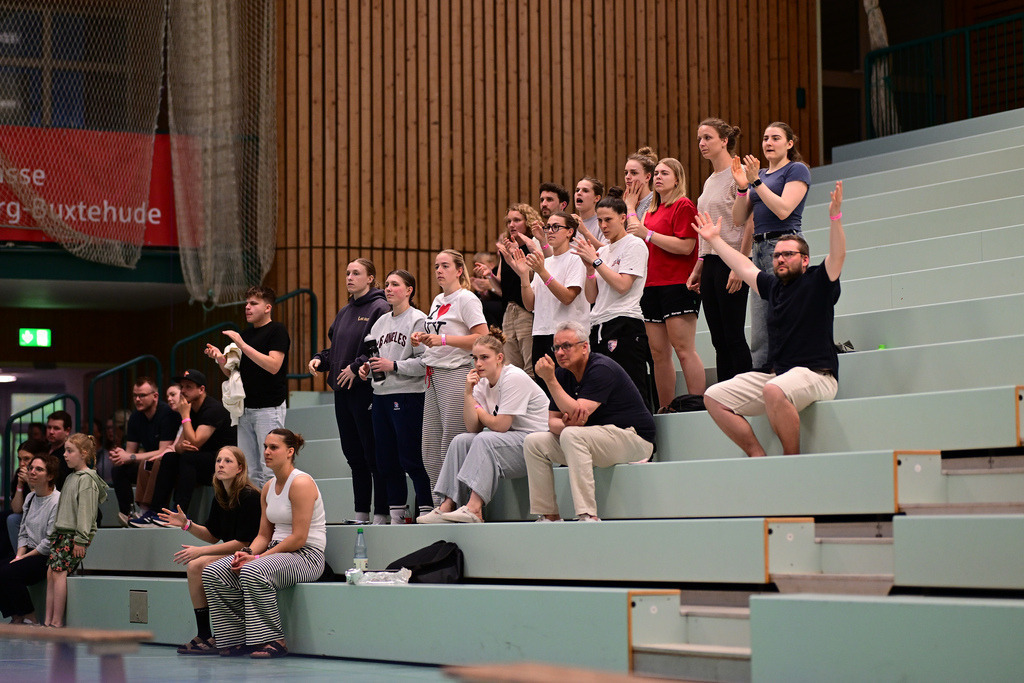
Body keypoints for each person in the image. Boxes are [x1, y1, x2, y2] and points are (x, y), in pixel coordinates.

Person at [699, 181, 845, 456]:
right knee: (713, 397)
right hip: (779, 375)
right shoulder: (773, 286)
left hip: (816, 375)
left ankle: (791, 460)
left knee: (774, 390)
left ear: (805, 260)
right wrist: (715, 240)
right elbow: (743, 266)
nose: (780, 259)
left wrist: (835, 217)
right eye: (777, 255)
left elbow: (838, 255)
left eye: (788, 254)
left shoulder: (819, 280)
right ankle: (757, 454)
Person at [202, 429, 326, 659]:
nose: (266, 452)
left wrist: (258, 559)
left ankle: (274, 640)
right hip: (275, 552)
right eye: (265, 447)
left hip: (306, 556)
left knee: (252, 570)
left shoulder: (301, 483)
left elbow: (299, 537)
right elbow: (262, 536)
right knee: (213, 572)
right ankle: (235, 639)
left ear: (290, 452)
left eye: (273, 447)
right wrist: (246, 553)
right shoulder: (268, 487)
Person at [524, 321, 656, 521]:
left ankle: (588, 515)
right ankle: (549, 516)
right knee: (534, 442)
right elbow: (552, 422)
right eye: (556, 347)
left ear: (584, 346)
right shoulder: (561, 373)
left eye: (566, 346)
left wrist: (549, 381)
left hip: (634, 439)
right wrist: (571, 423)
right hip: (593, 438)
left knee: (571, 435)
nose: (559, 353)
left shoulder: (601, 368)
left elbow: (579, 412)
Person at [417, 329, 548, 524]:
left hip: (537, 445)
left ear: (499, 358)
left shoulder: (513, 377)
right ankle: (446, 506)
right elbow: (472, 428)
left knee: (485, 440)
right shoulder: (480, 381)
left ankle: (474, 509)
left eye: (484, 357)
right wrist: (468, 395)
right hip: (512, 441)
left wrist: (480, 412)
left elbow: (502, 425)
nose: (478, 364)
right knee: (461, 440)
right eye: (475, 358)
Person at [158, 446, 262, 655]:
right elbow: (213, 534)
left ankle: (216, 635)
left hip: (253, 552)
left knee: (198, 563)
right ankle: (204, 634)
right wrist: (186, 524)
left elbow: (244, 542)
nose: (221, 464)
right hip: (235, 550)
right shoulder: (221, 495)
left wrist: (203, 552)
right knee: (195, 566)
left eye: (228, 461)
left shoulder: (249, 496)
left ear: (240, 468)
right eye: (218, 460)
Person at [309, 258, 390, 524]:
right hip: (342, 392)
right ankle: (361, 513)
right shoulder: (344, 312)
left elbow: (378, 347)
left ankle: (382, 512)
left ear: (370, 278)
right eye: (347, 273)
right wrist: (321, 359)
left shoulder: (380, 307)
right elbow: (336, 349)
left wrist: (356, 368)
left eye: (356, 273)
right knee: (353, 454)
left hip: (366, 391)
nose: (350, 277)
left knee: (372, 453)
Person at [625, 157, 704, 408]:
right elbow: (634, 238)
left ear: (677, 179)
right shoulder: (650, 212)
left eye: (664, 173)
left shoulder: (683, 205)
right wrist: (630, 208)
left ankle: (698, 403)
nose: (658, 177)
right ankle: (665, 405)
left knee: (683, 349)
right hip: (650, 286)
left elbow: (687, 246)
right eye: (656, 173)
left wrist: (648, 234)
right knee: (659, 355)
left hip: (677, 284)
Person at [732, 121, 811, 369]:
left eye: (775, 138)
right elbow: (738, 218)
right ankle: (761, 378)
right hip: (758, 248)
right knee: (759, 328)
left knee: (785, 315)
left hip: (784, 245)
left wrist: (755, 182)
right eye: (765, 138)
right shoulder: (762, 176)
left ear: (789, 143)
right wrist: (742, 187)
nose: (768, 142)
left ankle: (789, 372)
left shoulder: (797, 170)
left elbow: (783, 209)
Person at [411, 249, 488, 497]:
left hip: (456, 373)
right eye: (436, 266)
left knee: (451, 444)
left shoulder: (467, 299)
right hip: (432, 374)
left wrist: (443, 340)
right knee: (430, 449)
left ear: (458, 270)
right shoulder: (437, 300)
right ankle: (438, 504)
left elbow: (483, 337)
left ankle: (456, 502)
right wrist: (422, 339)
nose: (439, 271)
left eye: (444, 266)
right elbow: (438, 337)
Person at [358, 269, 432, 524]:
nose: (388, 288)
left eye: (395, 284)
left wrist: (395, 366)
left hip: (409, 395)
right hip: (380, 396)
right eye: (387, 284)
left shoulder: (419, 320)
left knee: (411, 457)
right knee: (386, 460)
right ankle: (397, 515)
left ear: (409, 290)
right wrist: (367, 369)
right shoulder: (380, 323)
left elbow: (426, 362)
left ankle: (426, 510)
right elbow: (377, 359)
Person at [571, 195, 654, 411]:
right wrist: (590, 270)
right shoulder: (603, 251)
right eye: (599, 221)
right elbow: (591, 297)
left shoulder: (634, 245)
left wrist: (596, 262)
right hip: (599, 323)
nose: (603, 225)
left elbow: (623, 285)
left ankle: (643, 437)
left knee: (630, 385)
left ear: (623, 218)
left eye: (608, 219)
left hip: (625, 321)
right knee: (604, 389)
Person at [688, 118, 753, 383]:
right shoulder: (710, 180)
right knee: (718, 337)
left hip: (733, 259)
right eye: (700, 139)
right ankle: (725, 394)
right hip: (712, 262)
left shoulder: (740, 172)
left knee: (733, 334)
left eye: (708, 138)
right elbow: (707, 227)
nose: (702, 144)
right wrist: (699, 266)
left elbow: (749, 221)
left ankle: (745, 390)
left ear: (724, 141)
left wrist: (741, 264)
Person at [206, 285, 291, 488]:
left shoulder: (276, 330)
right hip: (245, 408)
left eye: (254, 303)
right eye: (246, 303)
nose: (248, 307)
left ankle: (272, 518)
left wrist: (242, 345)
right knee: (249, 471)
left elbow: (273, 366)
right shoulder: (246, 334)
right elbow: (234, 373)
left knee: (270, 468)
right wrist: (220, 359)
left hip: (269, 408)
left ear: (268, 307)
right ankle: (256, 517)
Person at [138, 369, 236, 525]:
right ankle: (156, 511)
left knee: (188, 459)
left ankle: (179, 513)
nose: (183, 391)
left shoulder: (212, 409)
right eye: (182, 387)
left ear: (201, 389)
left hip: (222, 462)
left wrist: (185, 416)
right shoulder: (190, 407)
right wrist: (182, 445)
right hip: (201, 459)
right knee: (169, 457)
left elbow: (195, 442)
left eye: (188, 387)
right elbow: (178, 447)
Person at [45, 434, 107, 627]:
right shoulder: (72, 477)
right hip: (62, 533)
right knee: (51, 572)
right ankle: (47, 620)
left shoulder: (87, 479)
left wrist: (81, 539)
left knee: (59, 572)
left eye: (70, 451)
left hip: (74, 535)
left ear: (84, 453)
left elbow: (86, 512)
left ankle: (56, 622)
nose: (65, 455)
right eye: (65, 450)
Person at [511, 211, 590, 364]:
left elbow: (567, 297)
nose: (550, 232)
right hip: (541, 332)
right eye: (548, 227)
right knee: (542, 384)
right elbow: (529, 305)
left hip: (569, 335)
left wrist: (542, 272)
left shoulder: (576, 258)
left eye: (556, 227)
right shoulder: (546, 263)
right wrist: (524, 276)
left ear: (569, 232)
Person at [109, 377, 180, 526]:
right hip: (147, 461)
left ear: (155, 396)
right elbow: (129, 452)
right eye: (135, 395)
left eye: (142, 395)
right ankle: (128, 513)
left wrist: (131, 456)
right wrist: (120, 456)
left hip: (166, 462)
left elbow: (163, 451)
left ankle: (151, 512)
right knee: (119, 469)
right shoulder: (136, 416)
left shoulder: (167, 414)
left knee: (151, 463)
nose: (137, 399)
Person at [0, 453, 59, 624]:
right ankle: (16, 617)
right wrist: (19, 555)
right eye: (31, 468)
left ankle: (31, 618)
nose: (32, 472)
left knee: (9, 572)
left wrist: (23, 558)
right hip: (29, 553)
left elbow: (49, 541)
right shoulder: (30, 497)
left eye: (38, 469)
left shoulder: (57, 500)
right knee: (5, 566)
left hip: (46, 556)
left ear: (50, 476)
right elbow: (23, 532)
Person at [488, 203, 542, 376]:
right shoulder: (507, 250)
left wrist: (515, 256)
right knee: (511, 368)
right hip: (508, 310)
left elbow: (534, 278)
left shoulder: (533, 246)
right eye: (509, 221)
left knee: (529, 366)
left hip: (526, 309)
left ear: (528, 222)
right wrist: (489, 275)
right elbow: (502, 288)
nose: (511, 224)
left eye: (517, 220)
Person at [3, 439, 48, 557]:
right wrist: (20, 485)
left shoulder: (44, 474)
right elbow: (17, 509)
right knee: (11, 518)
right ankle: (16, 556)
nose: (22, 463)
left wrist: (31, 483)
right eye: (19, 459)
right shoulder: (20, 474)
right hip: (25, 516)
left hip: (43, 518)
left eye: (26, 459)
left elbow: (41, 507)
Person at [470, 251, 505, 329]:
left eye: (481, 264)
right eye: (475, 265)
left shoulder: (497, 273)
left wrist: (491, 287)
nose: (477, 268)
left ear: (491, 264)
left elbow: (506, 294)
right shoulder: (479, 277)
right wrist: (481, 291)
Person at [623, 147, 657, 222]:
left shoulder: (655, 201)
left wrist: (630, 207)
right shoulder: (625, 200)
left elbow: (639, 232)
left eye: (634, 173)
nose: (627, 177)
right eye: (626, 173)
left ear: (647, 177)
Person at [573, 177, 606, 247]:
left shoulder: (603, 223)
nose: (579, 193)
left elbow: (607, 251)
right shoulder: (569, 223)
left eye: (585, 191)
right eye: (577, 190)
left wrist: (585, 232)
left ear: (597, 198)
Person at [45, 411, 72, 489]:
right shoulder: (43, 449)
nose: (51, 432)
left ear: (67, 431)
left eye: (56, 428)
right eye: (49, 427)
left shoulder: (70, 454)